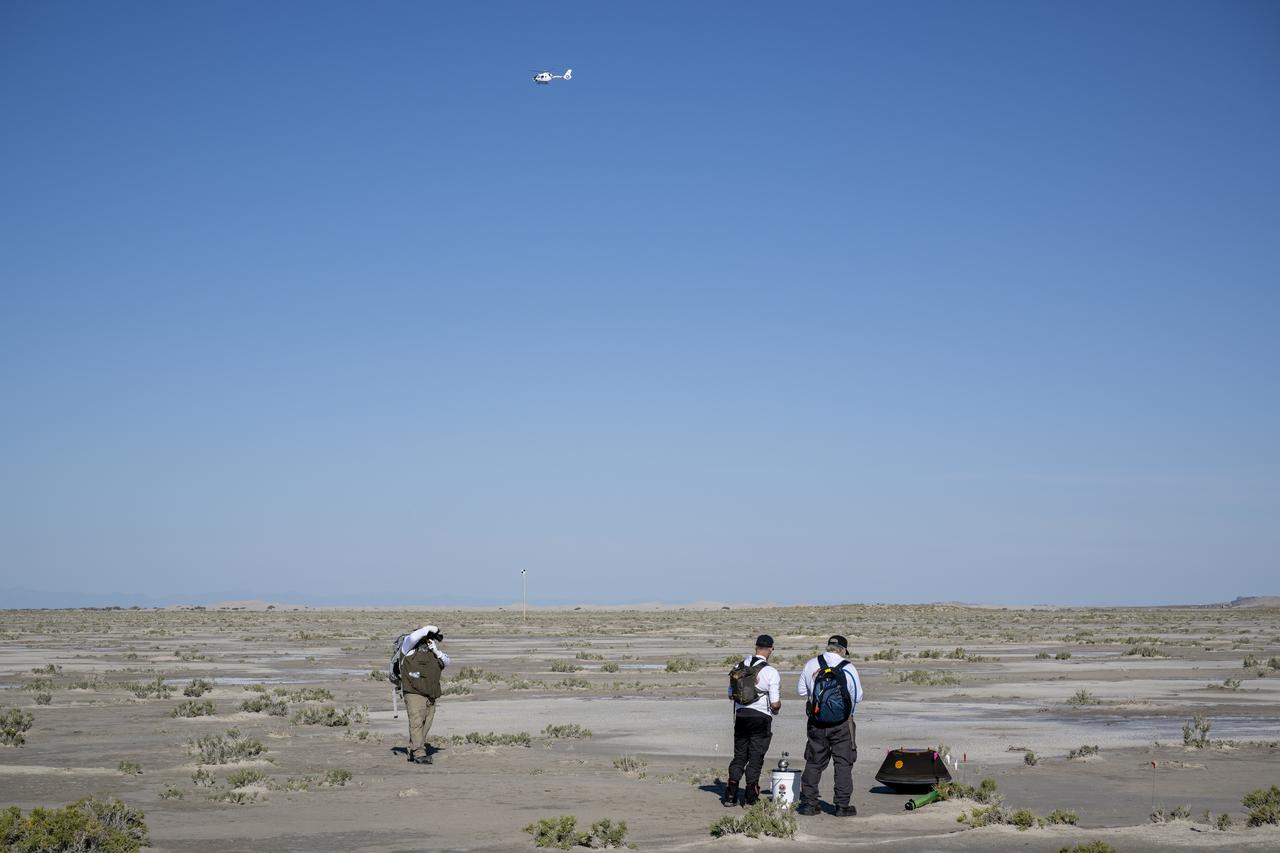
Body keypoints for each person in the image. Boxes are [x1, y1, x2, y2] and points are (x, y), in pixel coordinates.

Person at [795, 634, 863, 816]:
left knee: (814, 761)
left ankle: (809, 803)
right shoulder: (848, 667)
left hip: (816, 722)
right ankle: (842, 806)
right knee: (843, 763)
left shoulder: (812, 664)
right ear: (842, 650)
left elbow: (801, 691)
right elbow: (857, 696)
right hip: (843, 724)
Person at [722, 634, 782, 807]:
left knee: (739, 756)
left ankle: (730, 794)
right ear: (771, 649)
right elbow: (775, 703)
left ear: (755, 647)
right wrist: (776, 708)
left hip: (741, 717)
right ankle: (750, 795)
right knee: (755, 757)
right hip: (761, 718)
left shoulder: (738, 666)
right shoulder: (770, 672)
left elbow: (729, 695)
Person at [398, 624, 450, 765]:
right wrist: (432, 628)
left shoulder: (432, 651)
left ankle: (412, 749)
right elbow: (414, 637)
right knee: (416, 722)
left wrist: (436, 650)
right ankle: (419, 753)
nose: (426, 641)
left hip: (431, 693)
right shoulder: (407, 647)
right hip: (413, 692)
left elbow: (446, 661)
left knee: (426, 724)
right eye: (425, 638)